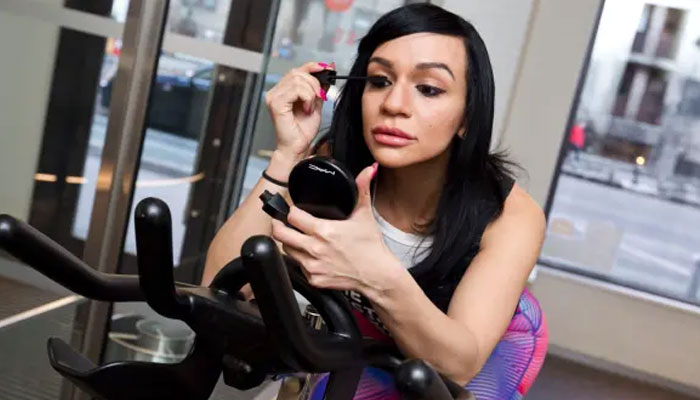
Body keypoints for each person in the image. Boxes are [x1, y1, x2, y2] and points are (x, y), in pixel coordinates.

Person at [202, 4, 548, 399]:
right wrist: (287, 156)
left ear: (467, 116)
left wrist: (374, 272)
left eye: (429, 88)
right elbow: (218, 289)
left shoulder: (509, 216)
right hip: (343, 363)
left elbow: (458, 366)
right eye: (380, 81)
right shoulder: (334, 167)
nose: (394, 105)